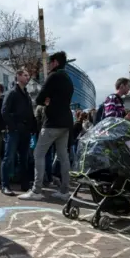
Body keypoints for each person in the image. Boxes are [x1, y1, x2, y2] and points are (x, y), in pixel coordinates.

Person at [20, 51, 74, 201]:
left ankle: (36, 191)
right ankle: (64, 191)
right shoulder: (68, 79)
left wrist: (46, 101)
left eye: (50, 62)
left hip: (53, 122)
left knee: (38, 154)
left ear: (56, 63)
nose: (49, 65)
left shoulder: (54, 76)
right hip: (66, 122)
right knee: (63, 157)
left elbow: (39, 98)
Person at [1, 69, 36, 196]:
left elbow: (30, 113)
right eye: (25, 75)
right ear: (18, 76)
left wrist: (32, 128)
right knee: (9, 158)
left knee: (24, 159)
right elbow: (4, 112)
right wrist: (13, 127)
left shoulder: (27, 95)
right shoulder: (11, 93)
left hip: (26, 132)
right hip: (14, 131)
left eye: (28, 75)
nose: (28, 77)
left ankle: (25, 185)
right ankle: (5, 185)